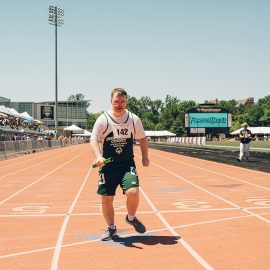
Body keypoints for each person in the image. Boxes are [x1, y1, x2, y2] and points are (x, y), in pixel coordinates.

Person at [90, 88, 150, 241]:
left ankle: (131, 218)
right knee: (106, 199)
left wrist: (145, 157)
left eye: (122, 101)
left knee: (133, 192)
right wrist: (98, 156)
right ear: (111, 101)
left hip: (126, 164)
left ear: (126, 102)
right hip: (108, 166)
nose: (119, 104)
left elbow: (143, 138)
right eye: (116, 101)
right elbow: (93, 139)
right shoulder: (103, 119)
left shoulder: (133, 119)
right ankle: (111, 228)